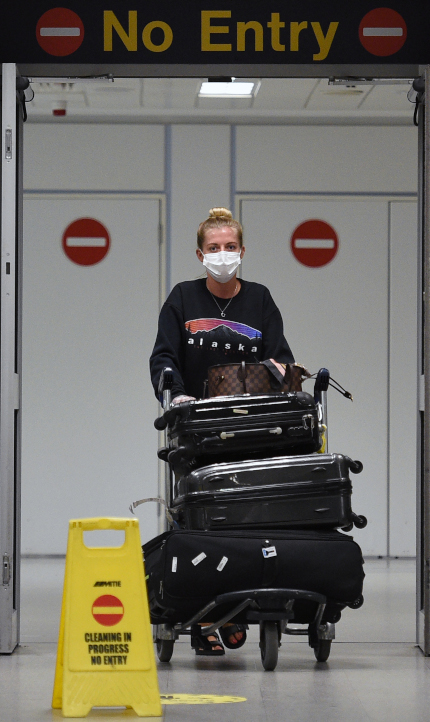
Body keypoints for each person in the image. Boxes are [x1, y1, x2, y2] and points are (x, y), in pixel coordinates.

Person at [149, 207, 295, 656]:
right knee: (198, 523)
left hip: (249, 429)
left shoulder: (260, 300)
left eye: (230, 247)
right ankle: (203, 619)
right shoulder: (182, 299)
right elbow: (163, 358)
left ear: (243, 251)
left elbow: (281, 360)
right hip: (197, 432)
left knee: (247, 521)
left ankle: (237, 610)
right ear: (200, 254)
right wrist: (173, 395)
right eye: (214, 248)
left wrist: (278, 375)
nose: (223, 254)